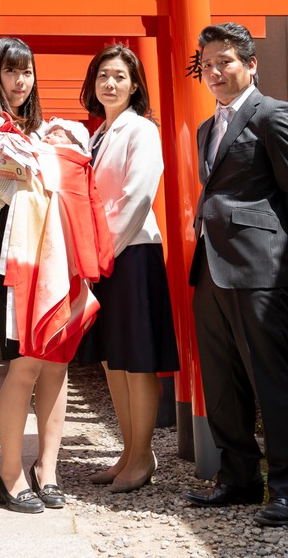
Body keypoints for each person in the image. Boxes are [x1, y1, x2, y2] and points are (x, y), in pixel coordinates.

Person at [0, 38, 111, 514]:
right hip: (16, 252)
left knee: (57, 361)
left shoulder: (44, 131)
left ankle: (48, 467)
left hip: (58, 249)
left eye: (26, 72)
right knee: (25, 362)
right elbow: (11, 181)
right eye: (10, 72)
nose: (20, 82)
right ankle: (8, 471)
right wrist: (53, 155)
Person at [184, 22, 288, 527]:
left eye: (225, 61)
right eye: (208, 64)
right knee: (221, 380)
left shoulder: (273, 114)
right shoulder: (206, 128)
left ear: (250, 64)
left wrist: (287, 256)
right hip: (211, 267)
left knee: (270, 378)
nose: (215, 72)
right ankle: (238, 478)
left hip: (260, 265)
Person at [75, 44, 180, 494]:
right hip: (103, 259)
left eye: (119, 76)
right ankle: (127, 450)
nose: (110, 83)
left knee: (137, 361)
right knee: (112, 358)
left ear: (135, 85)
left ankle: (142, 456)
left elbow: (138, 197)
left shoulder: (141, 130)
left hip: (131, 253)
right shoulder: (96, 135)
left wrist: (102, 252)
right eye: (103, 76)